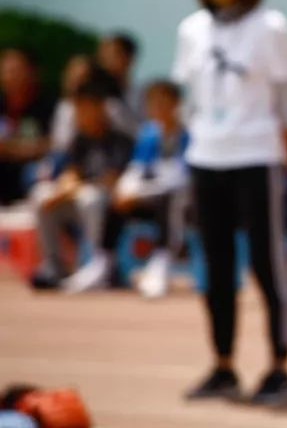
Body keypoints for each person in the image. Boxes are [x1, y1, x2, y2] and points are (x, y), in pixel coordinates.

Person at [172, 0, 287, 405]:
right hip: (207, 157)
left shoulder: (271, 26)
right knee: (217, 267)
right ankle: (223, 365)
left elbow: (285, 97)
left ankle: (280, 367)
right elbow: (189, 99)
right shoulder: (191, 30)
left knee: (269, 264)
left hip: (256, 154)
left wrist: (283, 146)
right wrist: (198, 137)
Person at [30, 79, 133, 291]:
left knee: (91, 197)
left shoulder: (120, 140)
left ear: (100, 107)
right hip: (78, 200)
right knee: (41, 195)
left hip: (107, 207)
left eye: (85, 108)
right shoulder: (80, 140)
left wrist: (74, 187)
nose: (81, 115)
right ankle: (53, 263)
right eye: (78, 109)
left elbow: (111, 179)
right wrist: (62, 190)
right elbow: (71, 173)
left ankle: (99, 264)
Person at [109, 80, 190, 299]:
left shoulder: (187, 135)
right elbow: (136, 169)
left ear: (177, 104)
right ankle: (105, 261)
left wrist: (140, 192)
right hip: (148, 198)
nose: (158, 109)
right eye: (153, 104)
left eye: (164, 103)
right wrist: (125, 190)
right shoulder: (148, 134)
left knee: (172, 199)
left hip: (181, 201)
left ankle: (161, 260)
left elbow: (180, 178)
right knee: (113, 201)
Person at [50, 55, 137, 155]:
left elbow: (132, 135)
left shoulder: (110, 106)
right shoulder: (64, 107)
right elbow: (60, 144)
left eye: (81, 78)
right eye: (73, 76)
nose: (76, 83)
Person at [0, 48, 55, 206]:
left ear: (32, 72)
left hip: (33, 176)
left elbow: (53, 144)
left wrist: (12, 149)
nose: (9, 76)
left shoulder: (48, 106)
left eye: (15, 70)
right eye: (5, 71)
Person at [97, 32, 140, 113]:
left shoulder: (139, 95)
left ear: (129, 59)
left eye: (112, 55)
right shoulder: (89, 87)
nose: (107, 60)